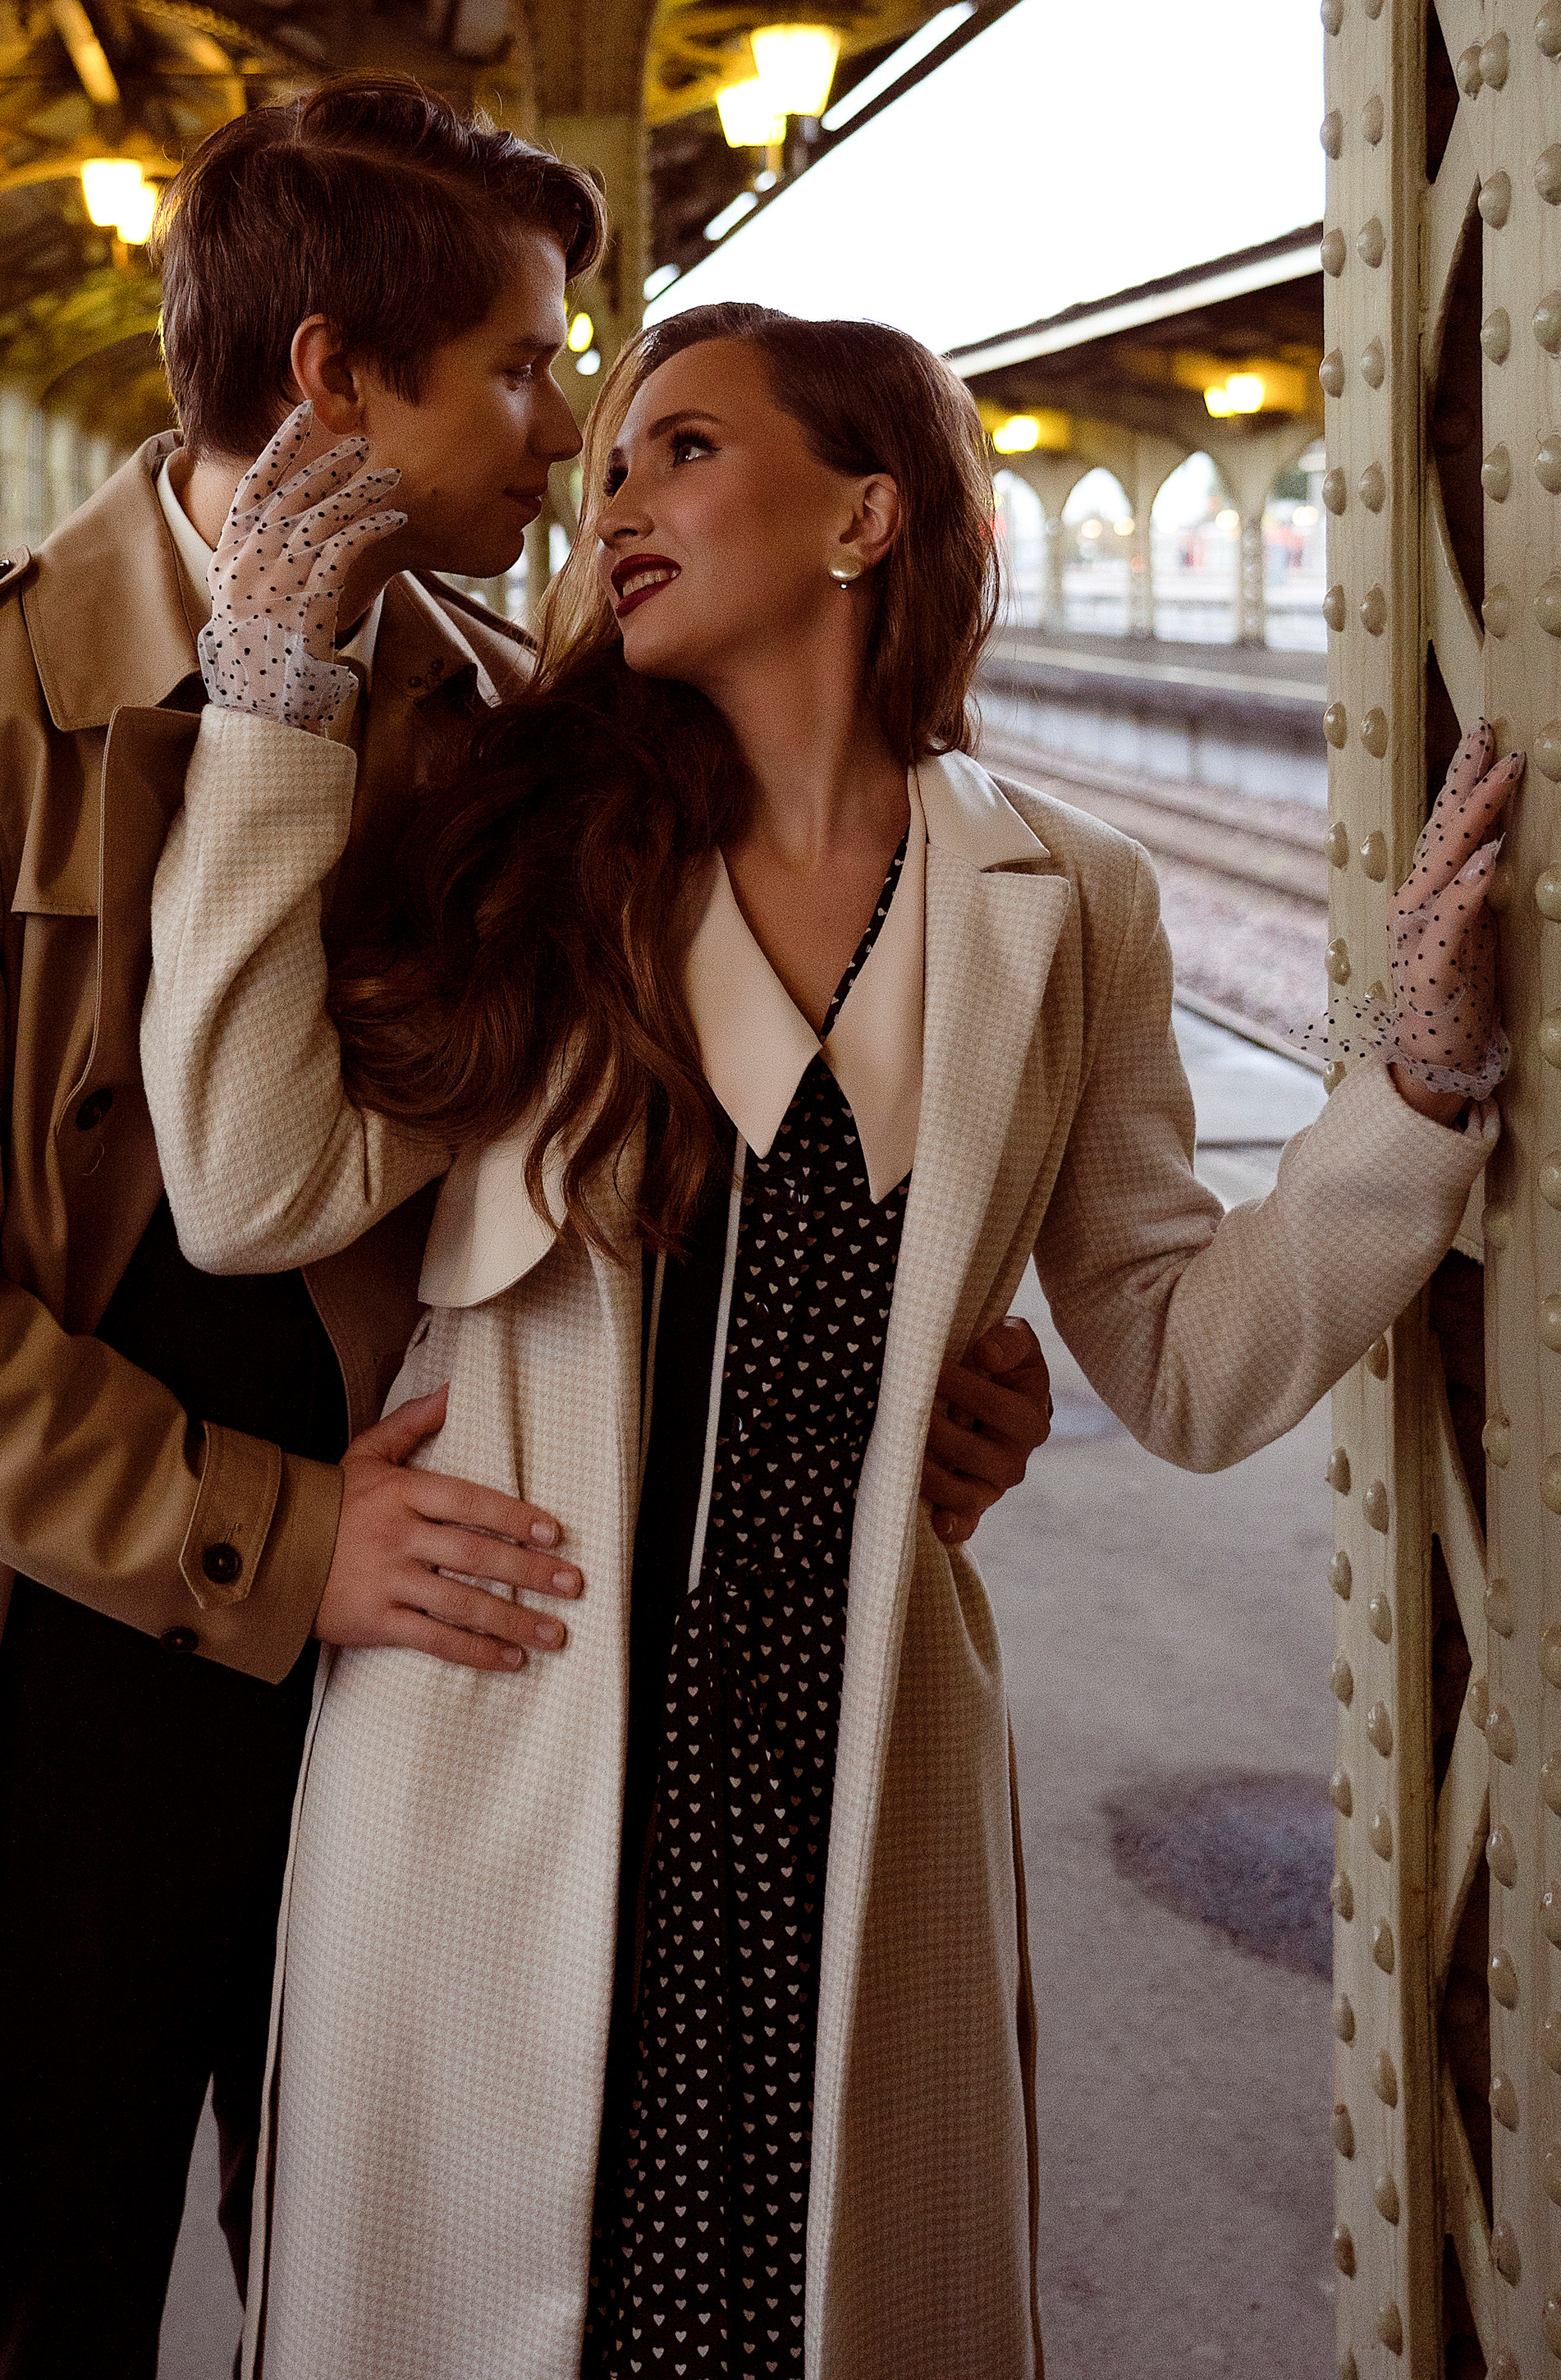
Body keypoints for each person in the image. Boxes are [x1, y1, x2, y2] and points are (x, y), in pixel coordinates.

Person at [0, 84, 1049, 2371]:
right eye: (531, 369)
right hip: (62, 1667)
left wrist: (894, 1359)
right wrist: (278, 1542)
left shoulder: (496, 728)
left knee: (384, 2266)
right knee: (54, 2274)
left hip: (430, 1647)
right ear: (337, 379)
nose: (571, 439)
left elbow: (641, 1110)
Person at [143, 299, 1513, 2380]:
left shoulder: (1070, 898)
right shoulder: (538, 857)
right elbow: (249, 1187)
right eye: (605, 461)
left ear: (866, 513)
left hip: (851, 1786)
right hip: (504, 1749)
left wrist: (1403, 1095)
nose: (612, 499)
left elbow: (1181, 1353)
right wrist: (270, 697)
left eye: (679, 449)